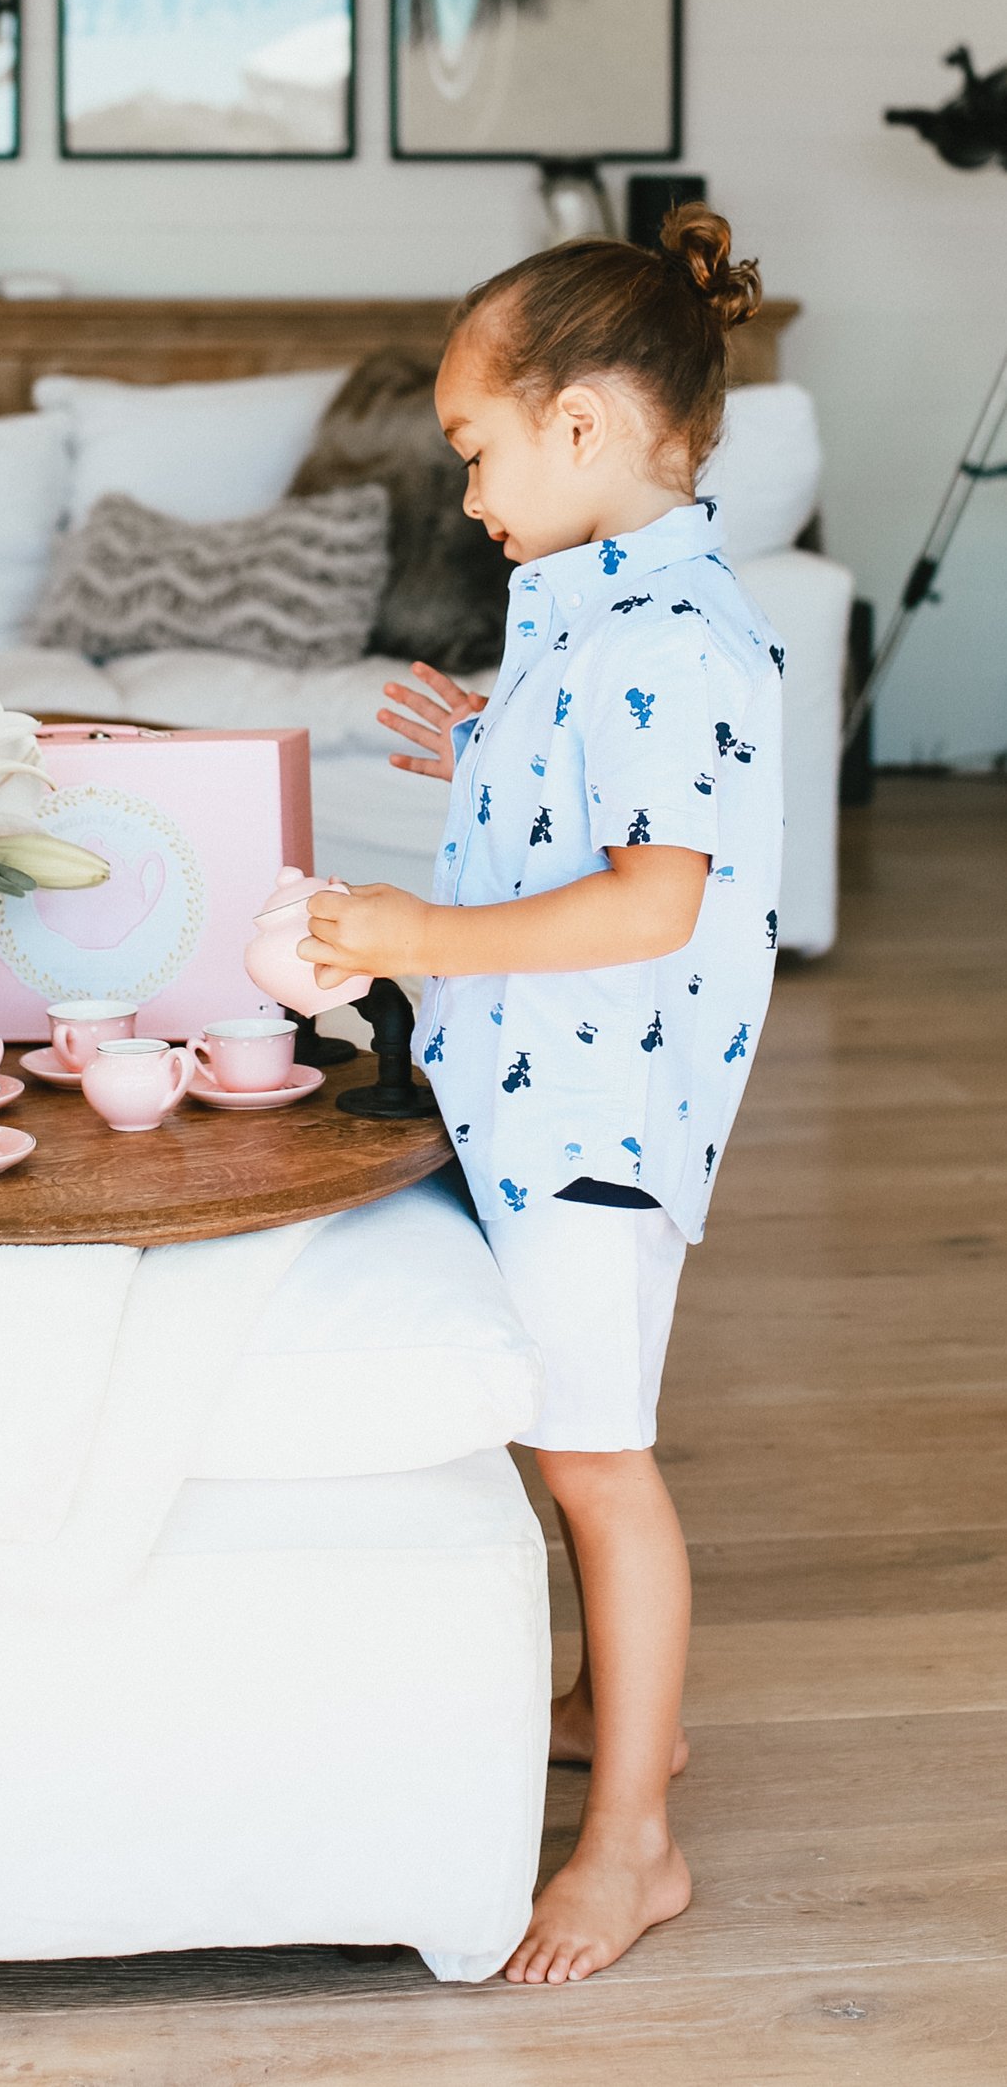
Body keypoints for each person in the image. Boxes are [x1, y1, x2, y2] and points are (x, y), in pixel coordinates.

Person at [300, 206, 783, 1985]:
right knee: (553, 1423)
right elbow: (604, 793)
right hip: (535, 1092)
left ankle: (635, 1840)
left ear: (577, 426)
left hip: (596, 1116)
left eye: (472, 447)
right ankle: (609, 1710)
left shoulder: (670, 634)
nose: (465, 489)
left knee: (594, 1459)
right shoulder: (597, 612)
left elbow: (657, 896)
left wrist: (420, 923)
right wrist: (489, 741)